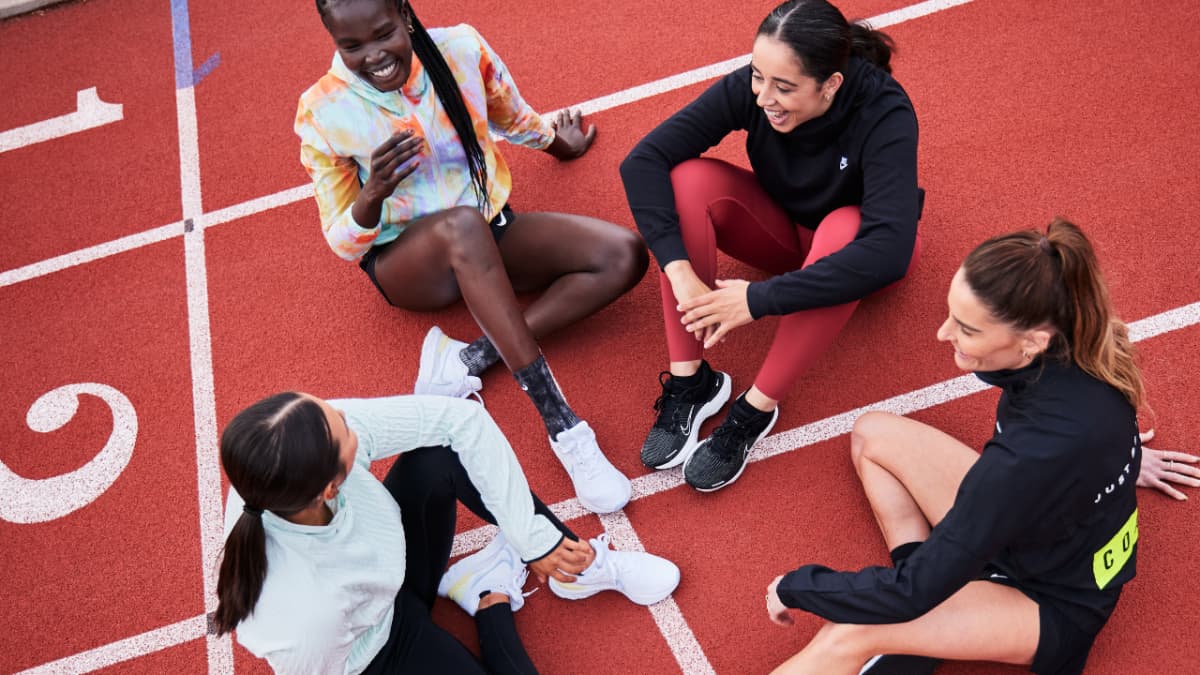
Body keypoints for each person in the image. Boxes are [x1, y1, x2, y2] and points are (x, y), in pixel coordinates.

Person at [763, 218, 1193, 675]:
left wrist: (793, 586)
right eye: (951, 314)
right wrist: (1125, 458)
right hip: (1032, 533)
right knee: (873, 435)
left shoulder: (1027, 459)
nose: (943, 333)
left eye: (967, 329)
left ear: (1031, 341)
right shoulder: (1087, 344)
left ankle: (935, 593)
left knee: (850, 631)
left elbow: (909, 592)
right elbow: (1086, 440)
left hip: (1051, 602)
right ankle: (941, 595)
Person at [296, 0, 649, 514]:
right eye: (352, 46)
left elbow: (508, 114)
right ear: (333, 39)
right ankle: (564, 427)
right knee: (462, 225)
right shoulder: (323, 111)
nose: (373, 56)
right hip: (409, 265)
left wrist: (558, 144)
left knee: (623, 254)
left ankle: (470, 357)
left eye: (383, 34)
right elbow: (342, 240)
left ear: (404, 14)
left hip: (489, 232)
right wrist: (372, 197)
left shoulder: (460, 49)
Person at [620, 0, 922, 492]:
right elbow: (644, 160)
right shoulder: (756, 88)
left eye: (784, 87)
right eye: (759, 76)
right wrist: (676, 268)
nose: (765, 97)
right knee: (687, 179)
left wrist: (757, 300)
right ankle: (691, 382)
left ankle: (754, 410)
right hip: (787, 233)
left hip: (862, 255)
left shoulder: (885, 112)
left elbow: (887, 249)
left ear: (831, 85)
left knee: (846, 228)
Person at [214, 392, 680, 674]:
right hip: (378, 652)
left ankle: (570, 565)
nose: (348, 416)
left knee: (439, 453)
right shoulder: (302, 618)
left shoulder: (299, 449)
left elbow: (462, 420)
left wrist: (530, 537)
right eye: (344, 428)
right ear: (329, 487)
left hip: (395, 571)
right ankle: (488, 596)